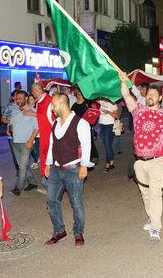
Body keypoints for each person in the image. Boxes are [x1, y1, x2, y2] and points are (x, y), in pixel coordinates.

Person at [119, 71, 163, 241]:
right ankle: (152, 217)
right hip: (139, 162)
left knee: (155, 194)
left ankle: (156, 227)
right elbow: (127, 96)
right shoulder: (138, 111)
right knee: (145, 194)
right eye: (148, 93)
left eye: (153, 94)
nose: (149, 96)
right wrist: (123, 83)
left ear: (160, 98)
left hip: (157, 160)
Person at [43, 94, 93, 247]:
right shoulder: (55, 123)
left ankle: (78, 232)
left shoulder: (81, 123)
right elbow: (52, 145)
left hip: (73, 169)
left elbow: (86, 144)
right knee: (51, 200)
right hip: (56, 169)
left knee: (76, 202)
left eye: (53, 105)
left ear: (62, 104)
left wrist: (84, 165)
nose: (51, 108)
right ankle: (59, 231)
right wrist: (48, 163)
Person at [4, 91, 38, 195]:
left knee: (22, 167)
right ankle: (32, 182)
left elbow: (37, 128)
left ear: (26, 98)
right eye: (17, 98)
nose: (18, 100)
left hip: (26, 143)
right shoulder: (14, 110)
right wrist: (10, 128)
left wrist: (30, 141)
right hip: (15, 141)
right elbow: (11, 123)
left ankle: (18, 188)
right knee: (22, 164)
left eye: (20, 98)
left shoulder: (32, 111)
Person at [31, 82, 54, 192]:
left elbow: (54, 120)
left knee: (50, 161)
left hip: (50, 137)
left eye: (32, 91)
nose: (31, 93)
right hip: (43, 137)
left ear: (36, 91)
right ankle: (49, 186)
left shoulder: (49, 101)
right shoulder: (39, 102)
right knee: (45, 160)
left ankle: (52, 188)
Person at [71, 85, 99, 165]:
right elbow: (71, 115)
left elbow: (94, 113)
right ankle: (81, 157)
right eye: (78, 93)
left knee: (89, 141)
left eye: (80, 93)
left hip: (86, 126)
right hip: (77, 127)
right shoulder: (74, 105)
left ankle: (93, 156)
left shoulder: (87, 104)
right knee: (79, 143)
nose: (79, 94)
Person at [97, 97, 119, 171]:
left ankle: (107, 163)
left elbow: (116, 116)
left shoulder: (113, 104)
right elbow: (93, 97)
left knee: (107, 144)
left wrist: (108, 112)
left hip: (110, 126)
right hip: (102, 125)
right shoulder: (102, 102)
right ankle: (112, 160)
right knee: (107, 145)